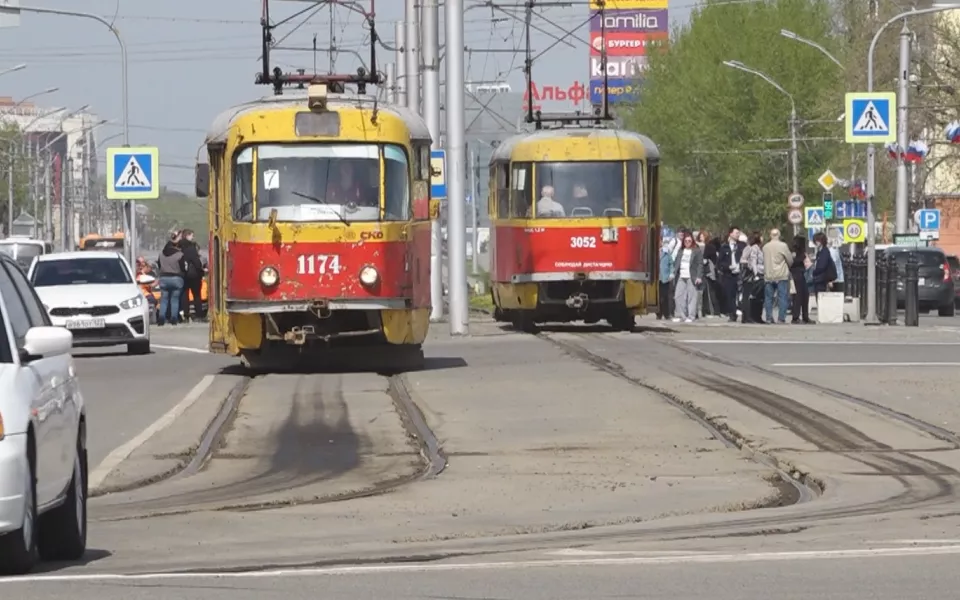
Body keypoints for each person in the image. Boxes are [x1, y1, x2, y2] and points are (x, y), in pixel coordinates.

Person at [762, 228, 794, 324]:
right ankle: (781, 318)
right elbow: (790, 260)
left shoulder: (765, 247)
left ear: (770, 236)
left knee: (768, 298)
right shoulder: (783, 246)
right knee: (782, 297)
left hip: (768, 275)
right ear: (779, 235)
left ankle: (769, 317)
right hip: (781, 274)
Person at [157, 230, 186, 326]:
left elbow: (159, 266)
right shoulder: (179, 255)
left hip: (164, 278)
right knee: (175, 299)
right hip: (176, 278)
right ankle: (174, 318)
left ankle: (161, 318)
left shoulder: (161, 254)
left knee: (164, 299)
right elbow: (183, 268)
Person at [672, 233, 703, 323]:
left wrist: (699, 276)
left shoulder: (696, 251)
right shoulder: (681, 251)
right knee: (678, 296)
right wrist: (673, 273)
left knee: (692, 297)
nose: (687, 242)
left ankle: (691, 316)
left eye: (689, 241)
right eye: (685, 241)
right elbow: (677, 263)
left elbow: (700, 264)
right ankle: (682, 316)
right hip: (681, 276)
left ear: (692, 241)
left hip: (691, 276)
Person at [716, 226, 745, 322]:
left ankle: (745, 314)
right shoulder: (724, 247)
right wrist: (728, 267)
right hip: (729, 275)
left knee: (741, 295)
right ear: (731, 234)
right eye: (736, 233)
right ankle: (732, 314)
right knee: (730, 295)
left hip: (740, 273)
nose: (738, 235)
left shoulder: (742, 246)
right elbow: (719, 263)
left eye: (738, 233)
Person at [179, 228, 206, 322]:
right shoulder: (191, 247)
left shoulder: (178, 247)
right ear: (187, 236)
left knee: (184, 295)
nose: (193, 237)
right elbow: (196, 262)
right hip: (194, 275)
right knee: (196, 295)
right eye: (192, 235)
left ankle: (186, 315)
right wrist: (201, 271)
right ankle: (199, 314)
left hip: (183, 274)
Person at [739, 232, 764, 323]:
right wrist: (755, 272)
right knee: (748, 296)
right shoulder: (751, 248)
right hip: (751, 275)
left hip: (756, 274)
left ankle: (753, 316)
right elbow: (748, 260)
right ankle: (747, 316)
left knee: (754, 296)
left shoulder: (757, 248)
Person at [790, 235, 812, 324]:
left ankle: (805, 316)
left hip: (800, 275)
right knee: (798, 296)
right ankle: (796, 317)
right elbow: (793, 262)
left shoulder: (799, 252)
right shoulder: (796, 253)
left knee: (805, 295)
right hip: (797, 275)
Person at [657, 237, 675, 320]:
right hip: (657, 278)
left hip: (665, 278)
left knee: (665, 297)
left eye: (660, 241)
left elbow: (671, 263)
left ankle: (667, 313)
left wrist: (671, 273)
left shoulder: (666, 252)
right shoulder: (653, 252)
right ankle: (659, 314)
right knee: (659, 297)